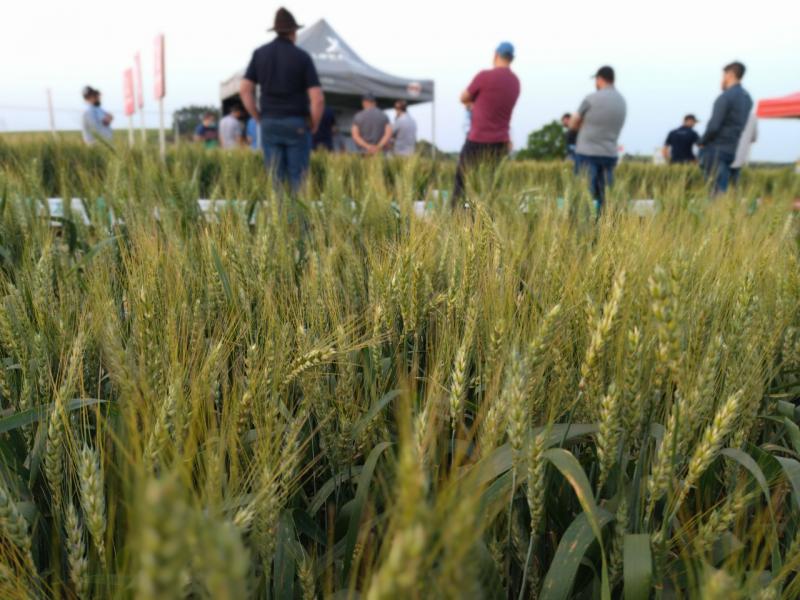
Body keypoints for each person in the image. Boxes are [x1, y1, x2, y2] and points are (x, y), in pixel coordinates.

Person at [240, 7, 324, 192]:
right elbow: (317, 98)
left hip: (269, 121)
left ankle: (278, 220)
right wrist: (314, 124)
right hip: (297, 123)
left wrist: (258, 116)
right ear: (294, 32)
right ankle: (298, 222)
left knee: (275, 178)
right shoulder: (302, 57)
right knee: (298, 178)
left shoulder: (260, 54)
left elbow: (245, 90)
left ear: (276, 31)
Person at [452, 42, 521, 209]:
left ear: (495, 55)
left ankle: (457, 224)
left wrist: (472, 103)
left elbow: (463, 98)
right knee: (490, 191)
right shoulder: (515, 82)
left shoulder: (484, 76)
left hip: (478, 140)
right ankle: (487, 228)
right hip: (501, 144)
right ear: (512, 59)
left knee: (462, 187)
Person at [569, 66, 627, 213]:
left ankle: (584, 231)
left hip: (587, 154)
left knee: (584, 198)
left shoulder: (591, 98)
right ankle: (604, 231)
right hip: (609, 154)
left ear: (600, 79)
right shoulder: (622, 101)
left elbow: (573, 123)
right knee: (606, 199)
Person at [699, 61, 753, 195]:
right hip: (731, 150)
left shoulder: (725, 97)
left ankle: (714, 214)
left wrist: (701, 142)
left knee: (714, 191)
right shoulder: (747, 99)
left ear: (730, 74)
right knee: (721, 189)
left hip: (715, 149)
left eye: (723, 76)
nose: (722, 79)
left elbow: (713, 127)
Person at [730, 111, 758, 185]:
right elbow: (754, 138)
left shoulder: (728, 112)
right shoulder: (752, 116)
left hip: (724, 154)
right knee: (735, 180)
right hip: (741, 156)